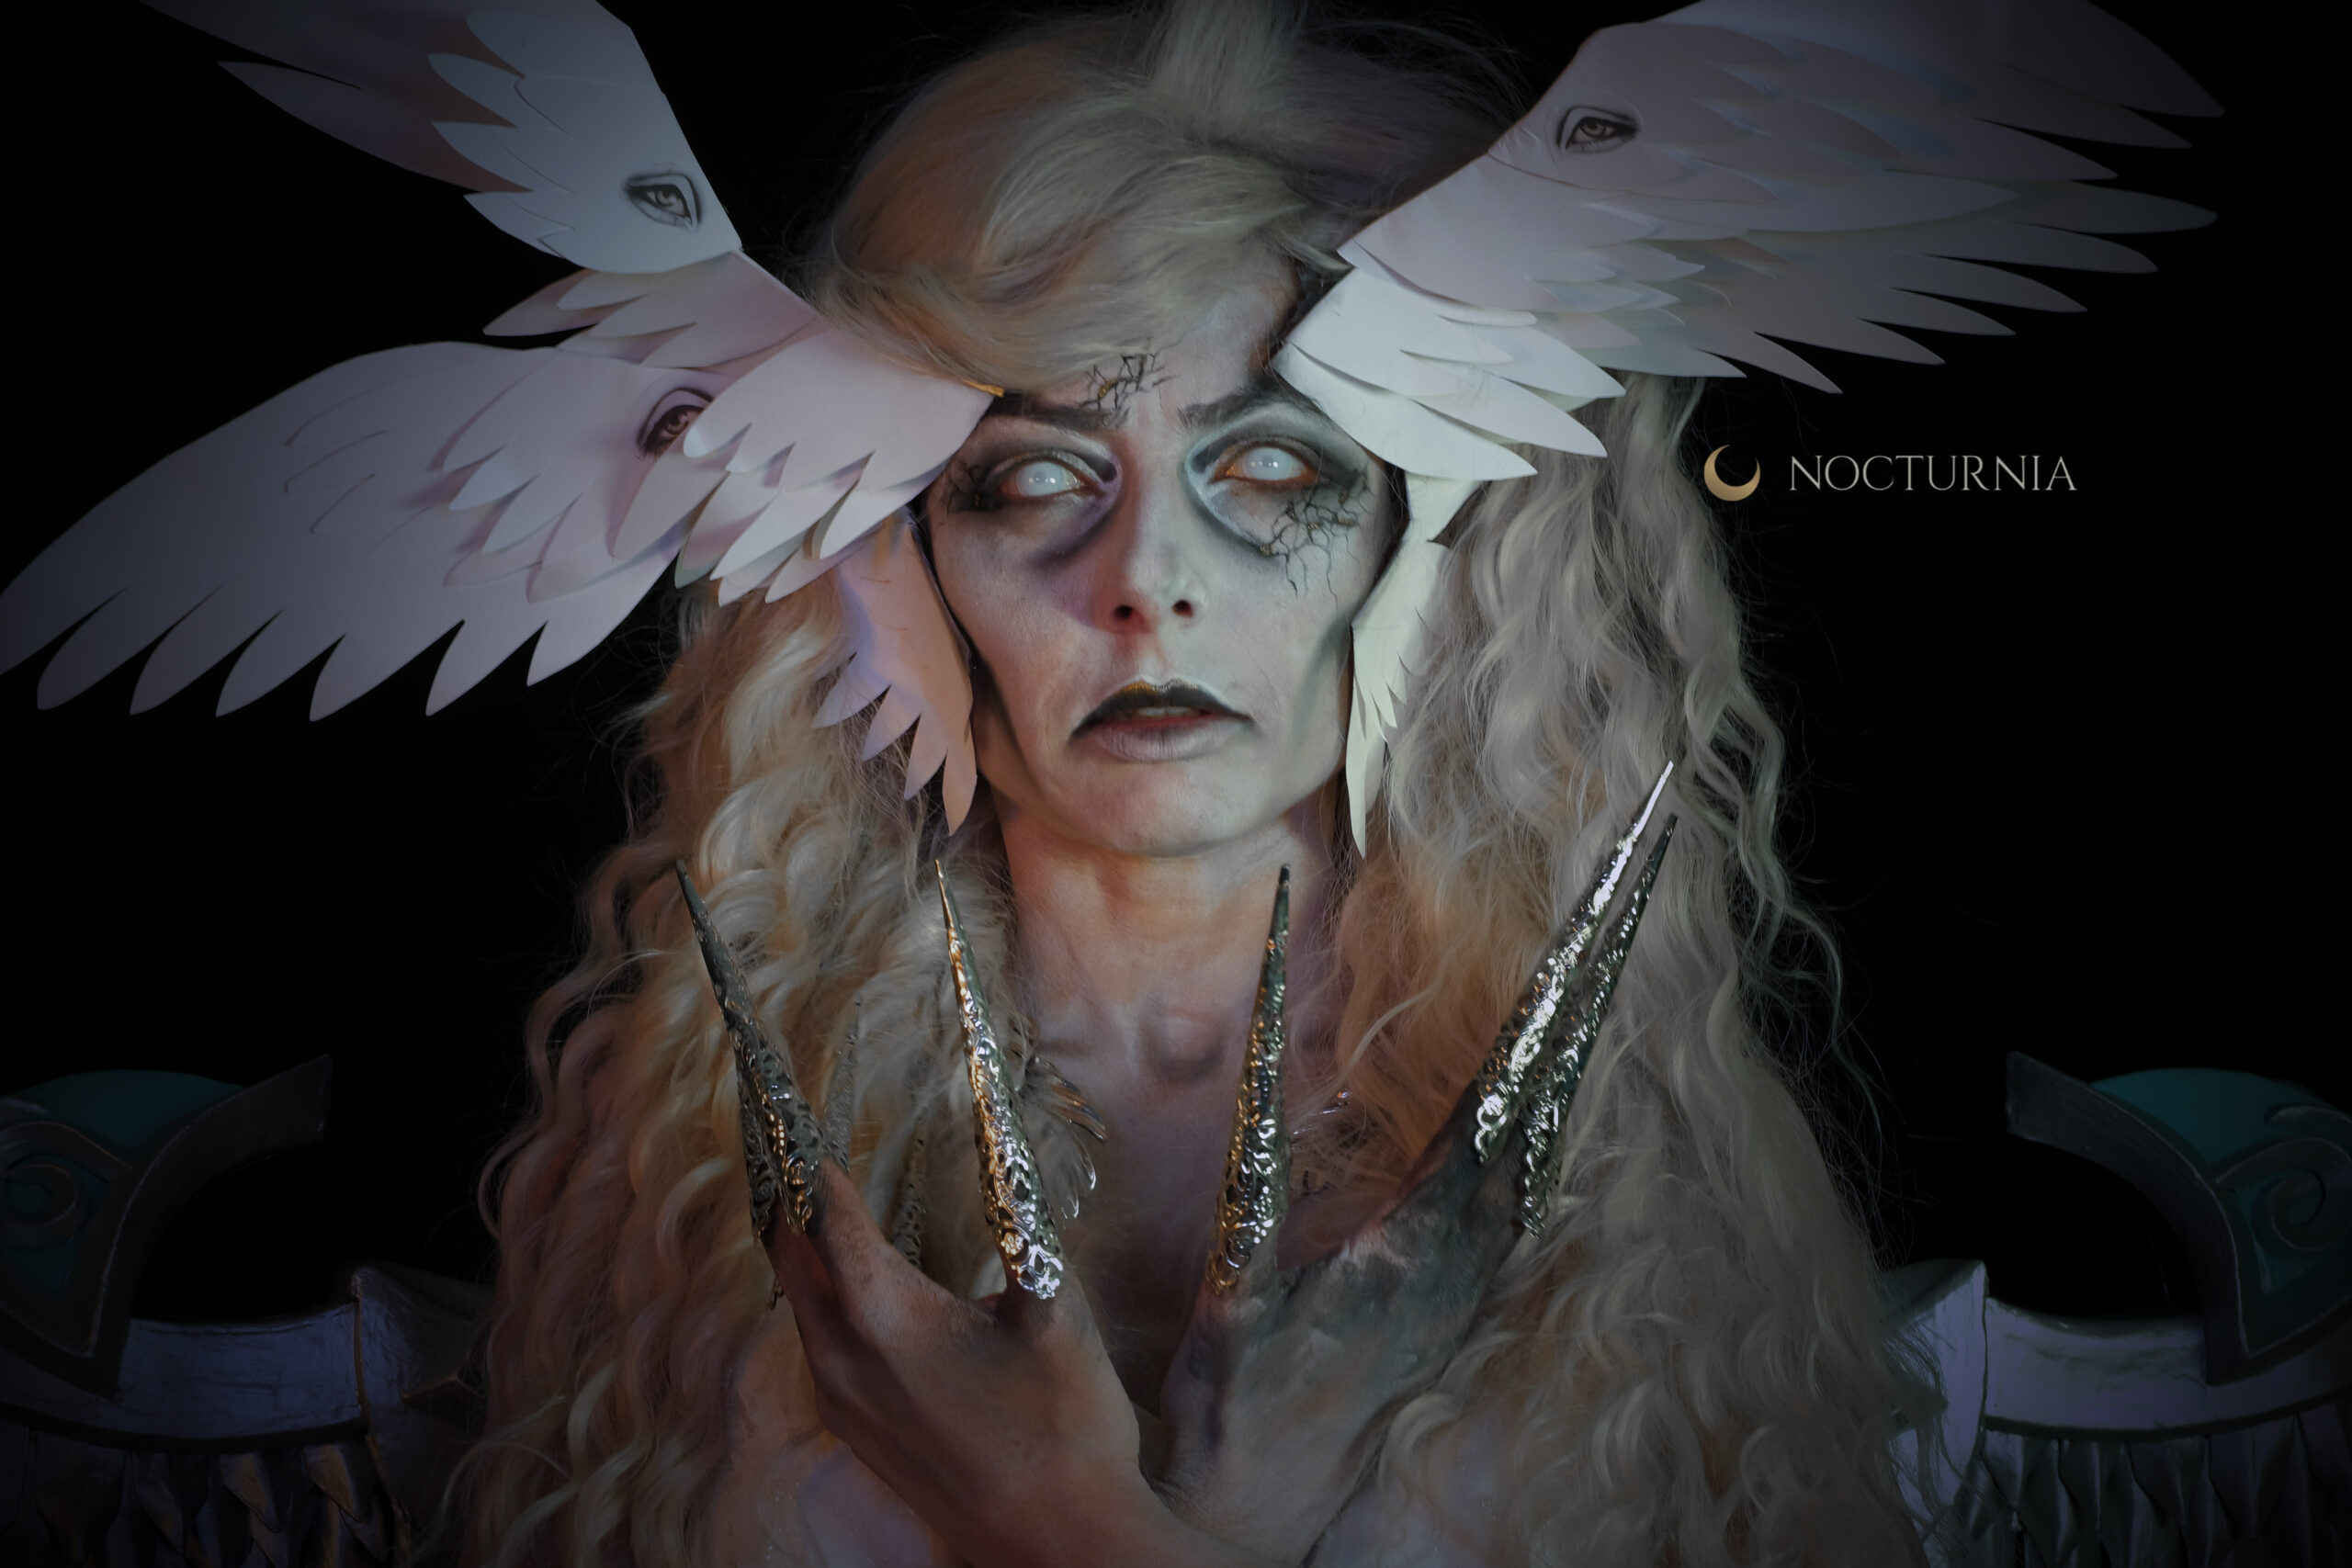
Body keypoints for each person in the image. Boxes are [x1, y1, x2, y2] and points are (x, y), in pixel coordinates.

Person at [454, 4, 1922, 1562]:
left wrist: (1057, 1515)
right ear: (898, 551)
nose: (1146, 581)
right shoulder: (705, 1171)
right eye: (1035, 478)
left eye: (1276, 468)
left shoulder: (1630, 1175)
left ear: (1427, 536)